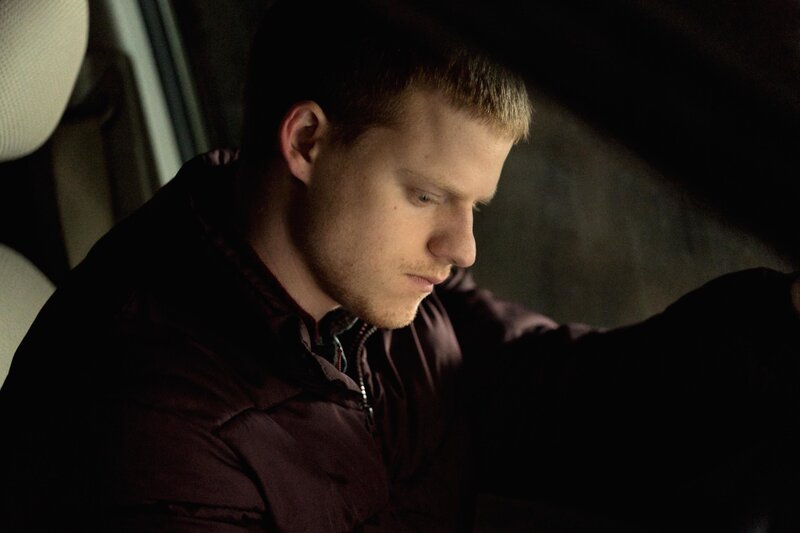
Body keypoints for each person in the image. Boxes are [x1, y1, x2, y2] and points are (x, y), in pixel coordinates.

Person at [2, 1, 800, 531]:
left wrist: (785, 319)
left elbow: (564, 393)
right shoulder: (147, 427)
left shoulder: (377, 299)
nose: (462, 247)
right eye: (426, 195)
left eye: (474, 206)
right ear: (307, 141)